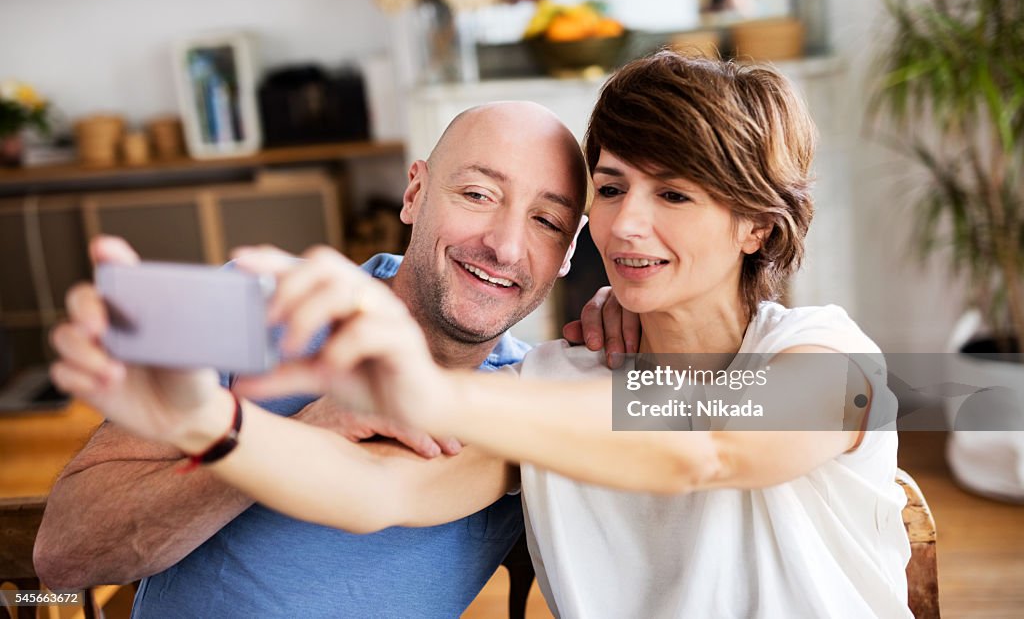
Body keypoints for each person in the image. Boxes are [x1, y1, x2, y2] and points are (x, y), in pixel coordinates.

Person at [54, 52, 913, 617]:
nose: (628, 227)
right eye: (611, 189)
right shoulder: (546, 387)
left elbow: (711, 446)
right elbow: (373, 490)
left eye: (676, 195)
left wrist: (424, 389)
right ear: (415, 191)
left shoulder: (834, 359)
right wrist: (212, 425)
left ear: (756, 227)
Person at [36, 101, 636, 617]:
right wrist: (300, 434)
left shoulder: (534, 394)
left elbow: (716, 419)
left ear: (568, 251)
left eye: (546, 221)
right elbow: (63, 554)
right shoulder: (246, 294)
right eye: (478, 194)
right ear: (415, 192)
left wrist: (647, 318)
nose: (505, 245)